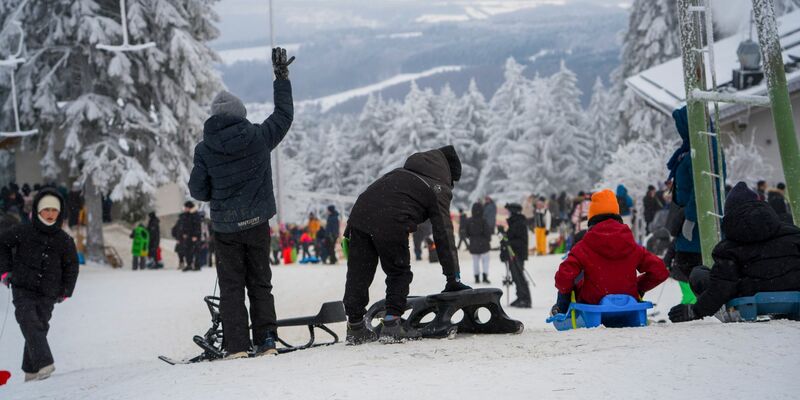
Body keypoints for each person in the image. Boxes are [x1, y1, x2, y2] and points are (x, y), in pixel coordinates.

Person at [188, 47, 294, 359]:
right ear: (241, 113)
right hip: (257, 224)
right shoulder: (259, 137)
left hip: (226, 229)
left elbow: (198, 191)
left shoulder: (204, 150)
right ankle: (267, 341)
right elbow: (284, 116)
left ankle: (236, 345)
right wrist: (281, 79)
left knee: (232, 286)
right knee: (261, 282)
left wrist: (218, 191)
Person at [343, 146, 471, 345]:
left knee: (360, 271)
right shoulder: (437, 186)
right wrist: (453, 278)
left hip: (359, 214)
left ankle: (355, 327)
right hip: (390, 219)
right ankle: (392, 325)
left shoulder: (400, 174)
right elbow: (443, 233)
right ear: (448, 175)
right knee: (398, 271)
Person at [669, 182, 800, 323]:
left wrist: (694, 310)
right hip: (794, 291)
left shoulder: (728, 248)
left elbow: (721, 288)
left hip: (747, 297)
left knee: (699, 273)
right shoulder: (793, 234)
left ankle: (731, 315)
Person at [0, 188, 79, 382]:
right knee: (28, 321)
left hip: (49, 292)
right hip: (22, 287)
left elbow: (71, 266)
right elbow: (1, 244)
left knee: (39, 326)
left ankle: (31, 371)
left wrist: (66, 290)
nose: (51, 214)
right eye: (47, 210)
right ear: (38, 211)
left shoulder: (64, 240)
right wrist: (5, 270)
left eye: (54, 210)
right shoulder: (23, 231)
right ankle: (44, 362)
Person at [552, 190, 669, 315]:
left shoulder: (583, 247)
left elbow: (563, 277)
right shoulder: (632, 246)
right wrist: (639, 287)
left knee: (570, 281)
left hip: (593, 305)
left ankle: (561, 310)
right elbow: (660, 271)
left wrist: (565, 294)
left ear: (592, 217)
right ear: (617, 214)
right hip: (628, 303)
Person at [667, 106, 725, 305]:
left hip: (699, 218)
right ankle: (692, 298)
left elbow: (705, 185)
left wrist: (691, 217)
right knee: (684, 259)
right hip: (688, 215)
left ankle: (695, 300)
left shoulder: (705, 148)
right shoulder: (690, 148)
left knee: (689, 261)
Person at [505, 203, 531, 307]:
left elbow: (521, 241)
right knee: (516, 277)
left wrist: (509, 242)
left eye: (509, 212)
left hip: (517, 254)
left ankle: (525, 299)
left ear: (513, 212)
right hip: (514, 253)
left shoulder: (519, 223)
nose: (508, 214)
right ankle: (520, 296)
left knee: (519, 276)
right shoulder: (515, 222)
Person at [466, 202, 492, 284]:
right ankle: (485, 276)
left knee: (475, 262)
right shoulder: (484, 220)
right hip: (483, 243)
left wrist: (472, 238)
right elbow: (487, 232)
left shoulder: (469, 220)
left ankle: (476, 277)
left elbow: (467, 233)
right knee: (485, 261)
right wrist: (488, 239)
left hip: (473, 243)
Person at [174, 201, 202, 272]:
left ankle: (197, 265)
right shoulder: (185, 215)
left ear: (189, 207)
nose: (185, 209)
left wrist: (195, 235)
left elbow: (197, 226)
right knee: (187, 251)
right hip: (187, 236)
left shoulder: (195, 215)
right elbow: (183, 226)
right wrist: (183, 234)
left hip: (194, 237)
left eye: (186, 207)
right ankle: (189, 264)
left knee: (196, 250)